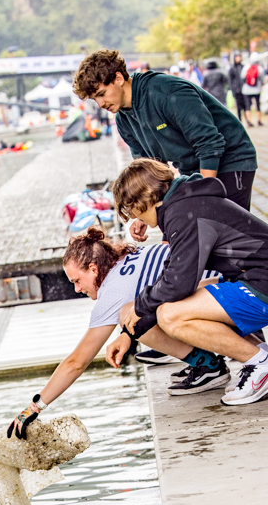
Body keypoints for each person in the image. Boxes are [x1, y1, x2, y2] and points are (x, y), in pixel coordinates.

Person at [6, 229, 228, 436]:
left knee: (128, 315)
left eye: (77, 281)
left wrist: (32, 409)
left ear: (93, 269)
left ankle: (207, 365)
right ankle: (200, 358)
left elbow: (76, 362)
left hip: (226, 296)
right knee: (133, 315)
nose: (77, 289)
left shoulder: (113, 290)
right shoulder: (128, 257)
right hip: (228, 280)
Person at [108, 158, 268, 407]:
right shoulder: (183, 203)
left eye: (129, 211)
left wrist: (140, 310)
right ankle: (257, 358)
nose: (132, 218)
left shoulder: (182, 213)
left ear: (143, 200)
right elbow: (173, 275)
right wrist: (130, 330)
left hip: (262, 282)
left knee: (171, 315)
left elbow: (178, 284)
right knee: (161, 307)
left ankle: (260, 364)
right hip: (253, 278)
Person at [73, 49, 258, 242]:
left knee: (229, 236)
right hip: (190, 167)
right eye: (95, 99)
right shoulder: (123, 120)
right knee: (178, 235)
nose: (100, 103)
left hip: (231, 157)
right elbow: (149, 170)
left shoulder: (166, 91)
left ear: (119, 78)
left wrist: (202, 197)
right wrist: (142, 212)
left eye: (102, 94)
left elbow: (209, 143)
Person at [242, 53, 264, 127]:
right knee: (258, 104)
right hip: (257, 89)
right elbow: (262, 78)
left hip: (246, 90)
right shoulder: (260, 68)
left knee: (247, 105)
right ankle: (259, 121)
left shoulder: (246, 67)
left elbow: (242, 77)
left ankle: (248, 121)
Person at [228, 54, 247, 124]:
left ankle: (247, 120)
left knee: (245, 105)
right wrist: (233, 90)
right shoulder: (232, 69)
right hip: (237, 90)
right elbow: (230, 81)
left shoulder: (243, 67)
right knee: (238, 107)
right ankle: (240, 120)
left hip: (244, 90)